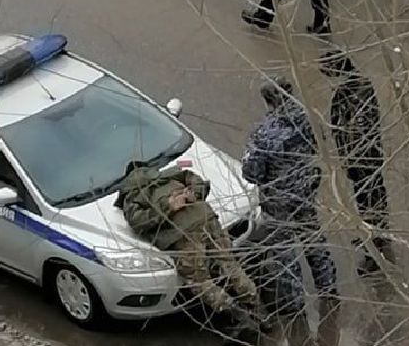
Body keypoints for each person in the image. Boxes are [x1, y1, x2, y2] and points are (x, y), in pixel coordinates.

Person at [116, 163, 260, 329]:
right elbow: (195, 179)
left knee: (199, 282)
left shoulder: (133, 195)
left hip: (183, 234)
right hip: (207, 219)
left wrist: (168, 206)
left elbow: (139, 222)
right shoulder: (170, 175)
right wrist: (195, 194)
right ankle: (260, 313)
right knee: (230, 266)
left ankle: (240, 318)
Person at [241, 77, 337, 314]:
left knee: (285, 254)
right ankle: (328, 286)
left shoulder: (265, 133)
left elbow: (252, 173)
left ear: (267, 101)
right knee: (314, 241)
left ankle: (295, 304)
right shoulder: (309, 119)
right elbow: (320, 146)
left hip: (278, 200)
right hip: (304, 191)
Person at [320, 49, 391, 275]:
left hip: (366, 160)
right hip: (357, 159)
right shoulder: (347, 89)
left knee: (371, 201)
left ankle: (375, 249)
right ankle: (371, 235)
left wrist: (352, 156)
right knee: (364, 199)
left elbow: (360, 129)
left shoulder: (359, 90)